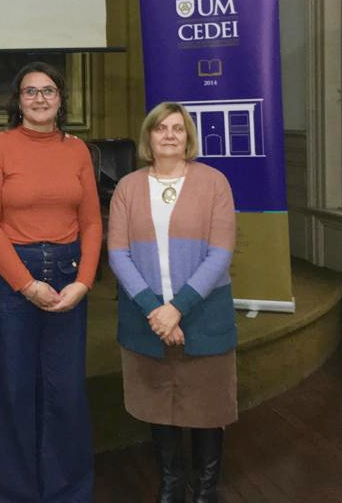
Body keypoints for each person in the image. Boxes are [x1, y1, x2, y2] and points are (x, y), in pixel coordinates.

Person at [0, 61, 102, 503]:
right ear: (18, 101)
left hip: (68, 277)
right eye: (31, 92)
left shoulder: (78, 151)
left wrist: (84, 281)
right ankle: (17, 494)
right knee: (15, 390)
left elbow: (92, 222)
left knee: (65, 392)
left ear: (61, 99)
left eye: (49, 91)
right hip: (12, 281)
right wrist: (27, 284)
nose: (40, 98)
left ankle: (69, 492)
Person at [107, 102, 237, 503]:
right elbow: (117, 254)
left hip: (201, 314)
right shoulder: (127, 187)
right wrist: (155, 309)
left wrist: (176, 309)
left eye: (178, 129)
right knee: (158, 404)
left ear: (188, 138)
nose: (168, 135)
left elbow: (220, 254)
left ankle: (204, 490)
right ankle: (170, 484)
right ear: (149, 137)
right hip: (145, 316)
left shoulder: (215, 183)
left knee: (206, 405)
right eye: (160, 128)